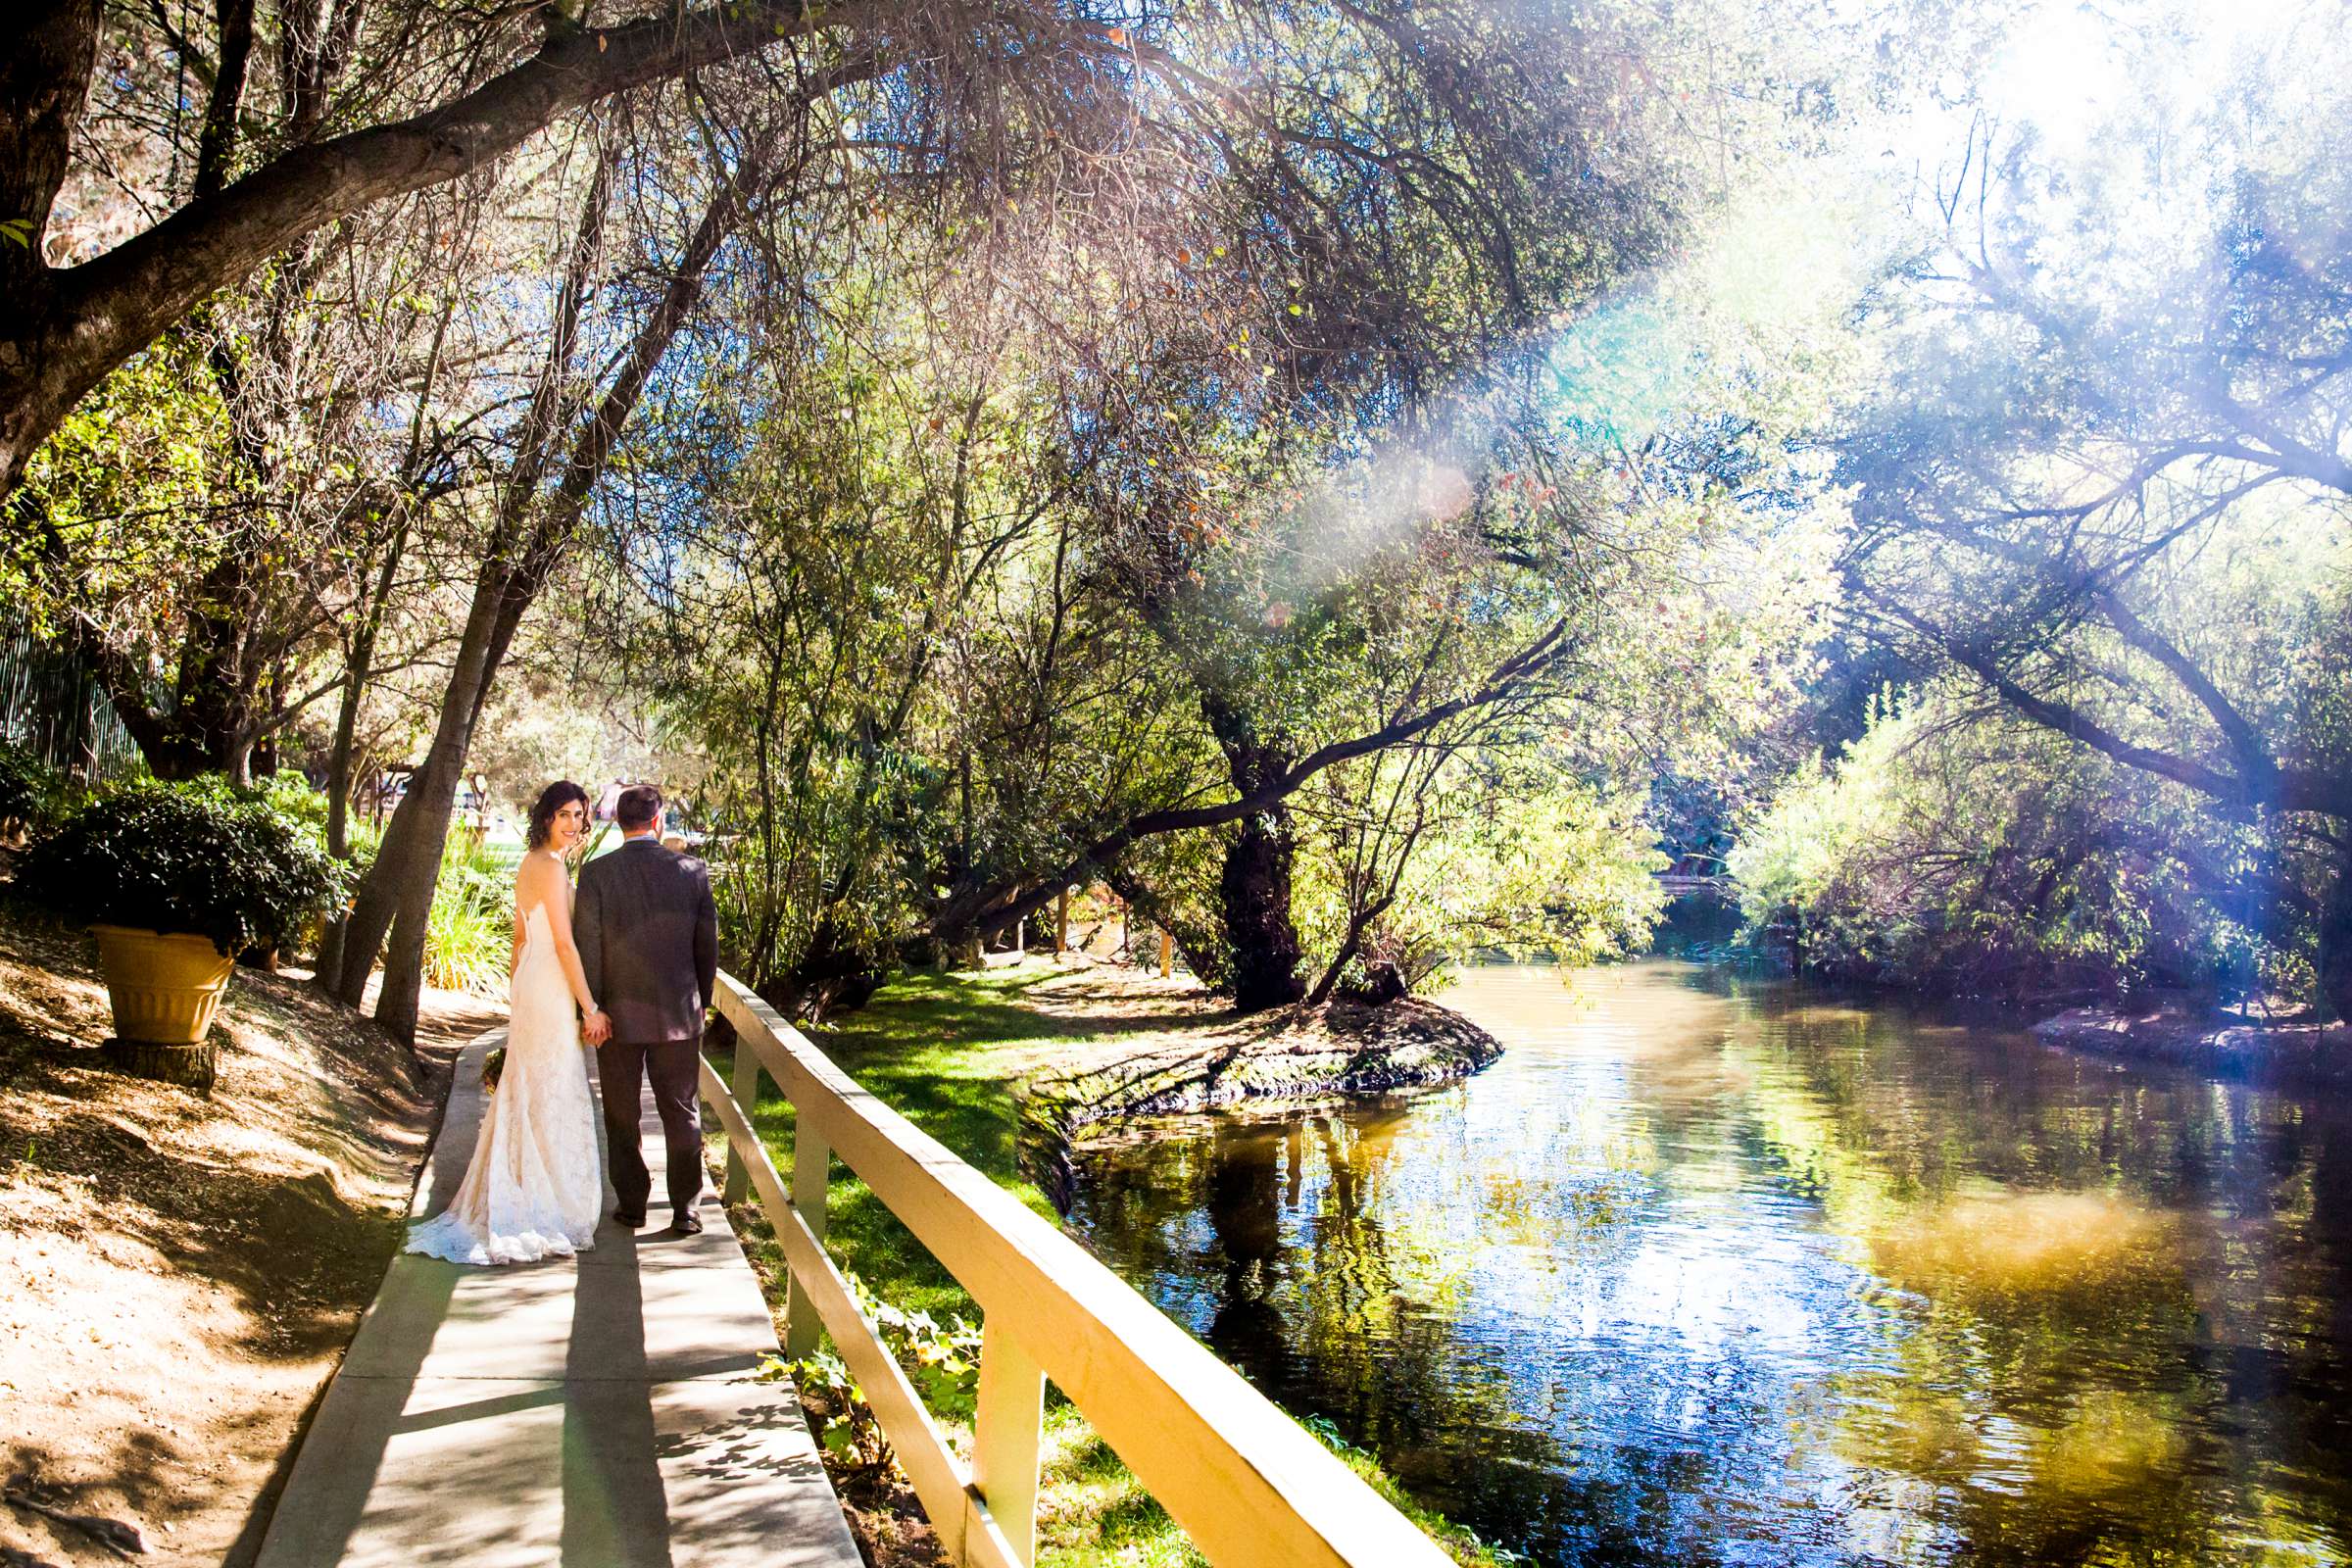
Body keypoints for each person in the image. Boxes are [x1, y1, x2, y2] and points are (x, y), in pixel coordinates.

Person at [406, 780, 609, 1265]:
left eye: (580, 816)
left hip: (534, 982)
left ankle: (527, 1180)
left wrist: (519, 993)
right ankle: (539, 1197)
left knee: (534, 1083)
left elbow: (521, 939)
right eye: (565, 815)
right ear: (545, 818)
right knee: (550, 1083)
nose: (574, 824)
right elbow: (563, 944)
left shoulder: (533, 864)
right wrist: (590, 1006)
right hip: (551, 982)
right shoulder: (551, 868)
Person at [573, 783, 719, 1236]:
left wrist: (591, 1008)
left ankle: (633, 1205)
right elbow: (706, 949)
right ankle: (686, 1208)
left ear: (619, 823)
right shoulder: (692, 871)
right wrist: (701, 1003)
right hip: (678, 1015)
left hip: (616, 1017)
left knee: (621, 1112)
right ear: (658, 822)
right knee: (682, 1111)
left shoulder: (596, 874)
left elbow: (588, 947)